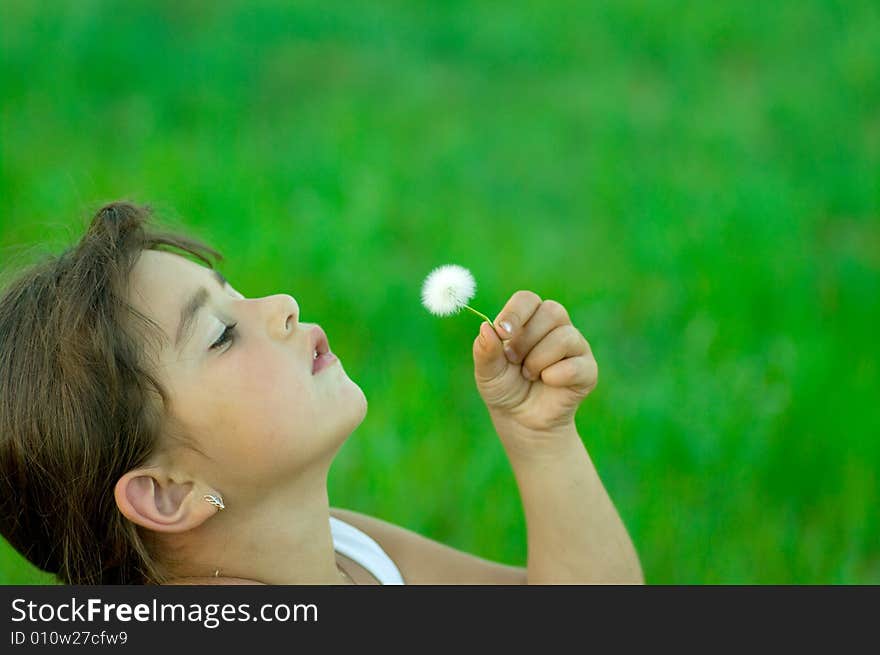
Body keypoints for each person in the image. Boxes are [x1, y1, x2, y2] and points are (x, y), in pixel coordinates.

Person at [0, 201, 643, 585]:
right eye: (222, 334)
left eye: (236, 293)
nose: (281, 306)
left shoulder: (345, 550)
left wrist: (542, 437)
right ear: (167, 493)